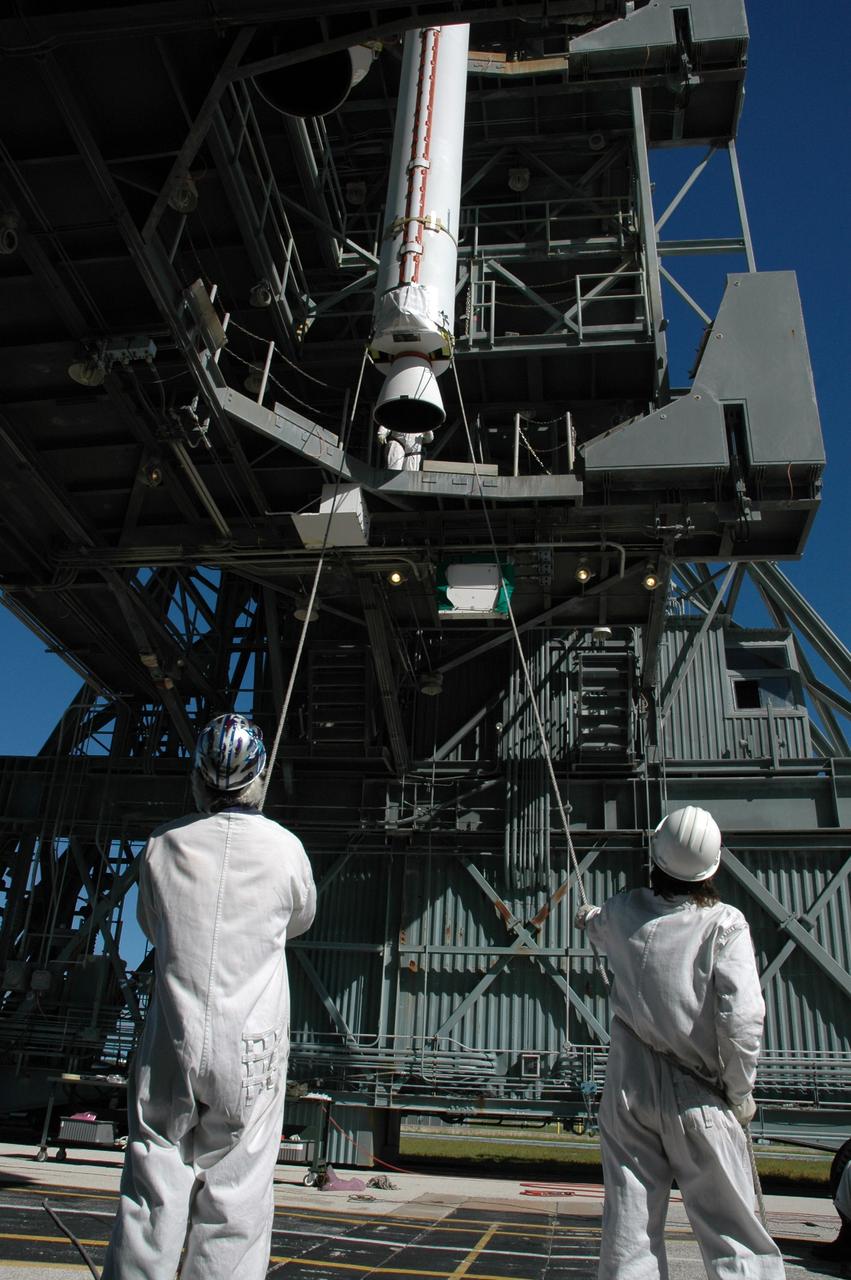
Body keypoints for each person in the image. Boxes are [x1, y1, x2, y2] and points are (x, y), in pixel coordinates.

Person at [102, 713, 316, 1280]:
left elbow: (153, 924)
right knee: (237, 1193)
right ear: (260, 777)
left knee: (152, 1181)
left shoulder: (161, 845)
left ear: (198, 777)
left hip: (171, 1036)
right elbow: (300, 920)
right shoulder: (287, 850)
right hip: (250, 1046)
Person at [576, 805, 785, 1280]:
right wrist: (740, 1090)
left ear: (655, 858)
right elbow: (743, 1019)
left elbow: (597, 924)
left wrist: (587, 916)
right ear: (711, 869)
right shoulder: (725, 925)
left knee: (629, 1236)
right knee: (734, 1238)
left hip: (628, 1093)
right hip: (700, 1096)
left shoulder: (623, 912)